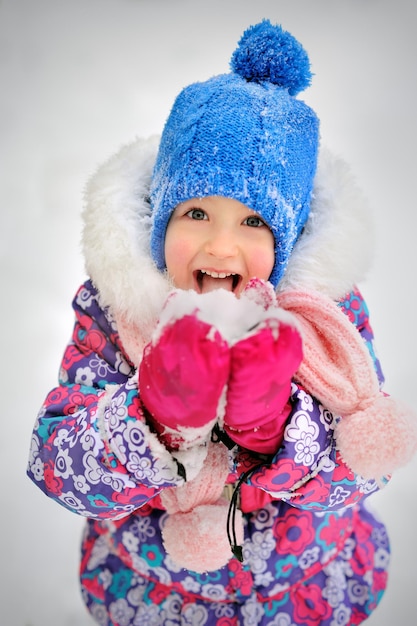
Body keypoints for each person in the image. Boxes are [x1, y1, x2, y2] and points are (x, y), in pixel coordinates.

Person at [27, 19, 417, 626]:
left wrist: (273, 427)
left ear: (288, 238)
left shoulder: (327, 318)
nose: (220, 247)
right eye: (198, 211)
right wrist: (154, 415)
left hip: (308, 588)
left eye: (254, 223)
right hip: (158, 596)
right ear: (160, 213)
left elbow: (365, 469)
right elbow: (57, 466)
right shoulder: (115, 313)